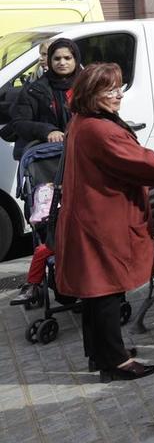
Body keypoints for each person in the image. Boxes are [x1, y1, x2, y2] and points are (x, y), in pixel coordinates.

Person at [54, 63, 154, 381]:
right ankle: (115, 362)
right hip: (102, 222)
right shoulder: (100, 129)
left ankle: (101, 353)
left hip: (91, 217)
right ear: (92, 94)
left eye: (119, 87)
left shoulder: (83, 120)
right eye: (109, 90)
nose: (118, 94)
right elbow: (150, 168)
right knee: (105, 291)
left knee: (95, 293)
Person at [3, 38, 81, 304]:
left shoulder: (85, 85)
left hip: (81, 161)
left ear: (75, 59)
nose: (62, 62)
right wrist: (46, 131)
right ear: (49, 61)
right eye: (57, 58)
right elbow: (19, 122)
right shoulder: (36, 90)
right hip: (48, 168)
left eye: (67, 58)